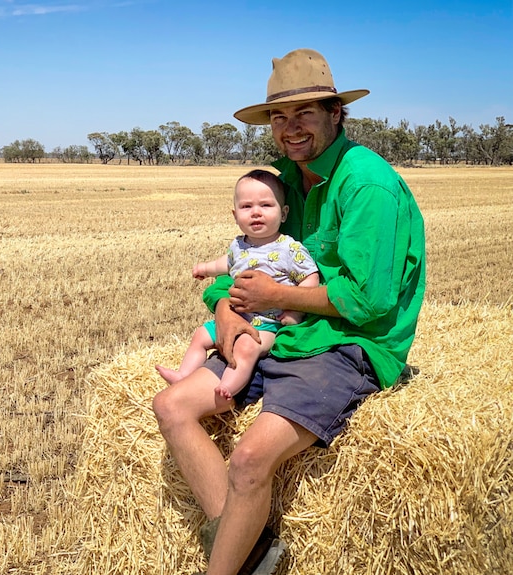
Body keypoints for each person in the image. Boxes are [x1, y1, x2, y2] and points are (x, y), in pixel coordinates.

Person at [151, 48, 426, 575]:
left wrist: (272, 299)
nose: (290, 127)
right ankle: (252, 549)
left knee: (250, 459)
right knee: (172, 407)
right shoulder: (278, 179)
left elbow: (368, 303)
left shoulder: (366, 184)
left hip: (349, 343)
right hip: (278, 333)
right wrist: (226, 311)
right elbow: (240, 263)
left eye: (305, 114)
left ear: (336, 114)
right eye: (279, 116)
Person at [155, 169, 319, 403]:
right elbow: (228, 263)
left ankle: (227, 388)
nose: (256, 213)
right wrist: (206, 268)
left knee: (245, 348)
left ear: (283, 214)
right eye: (246, 207)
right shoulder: (238, 245)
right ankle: (183, 375)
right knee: (201, 335)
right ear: (235, 215)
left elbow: (310, 277)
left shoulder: (289, 248)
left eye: (266, 205)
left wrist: (295, 311)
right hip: (237, 315)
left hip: (268, 324)